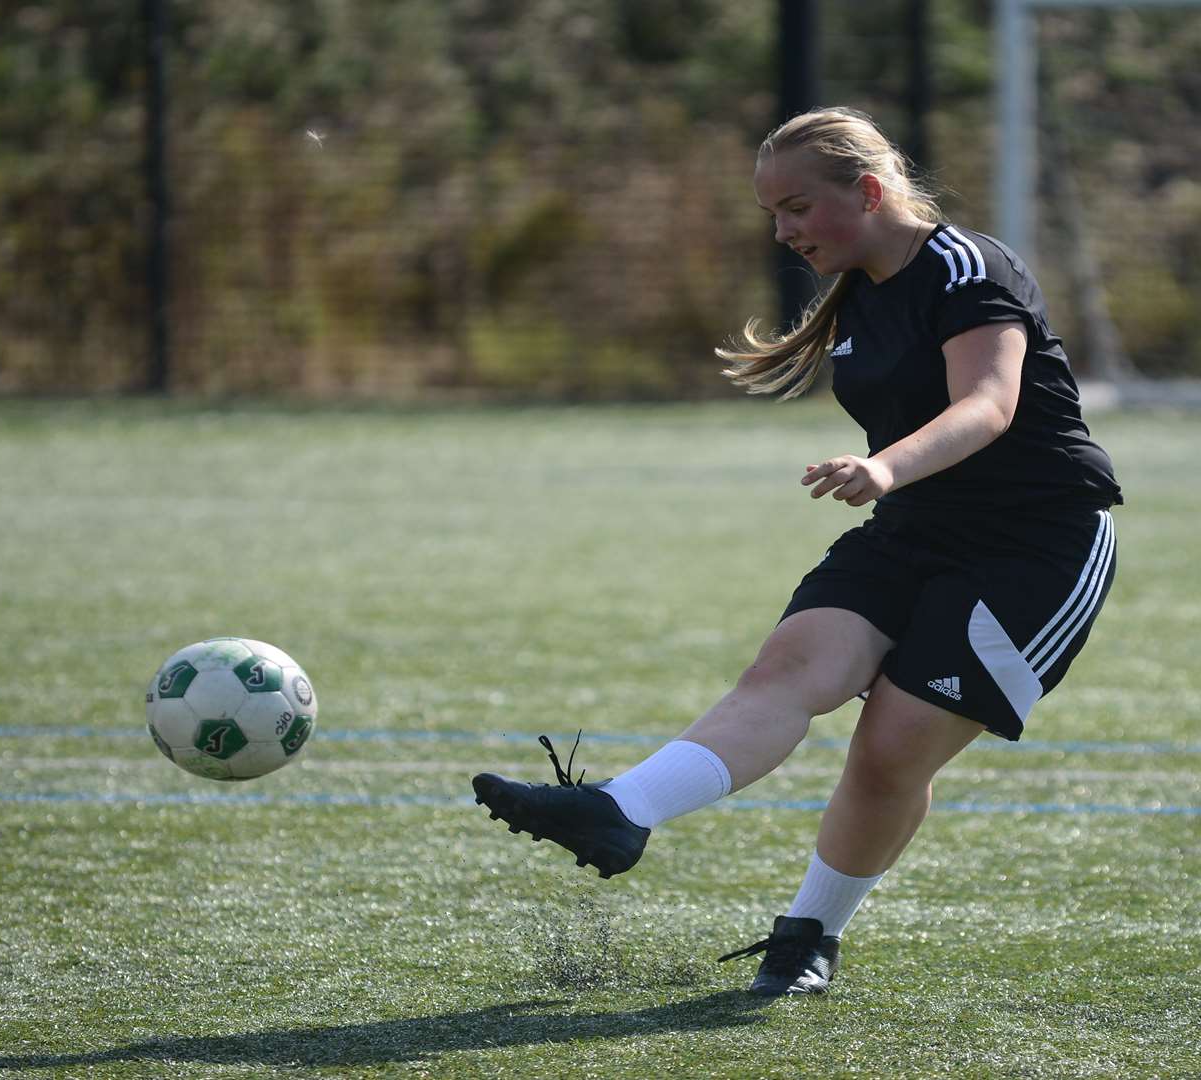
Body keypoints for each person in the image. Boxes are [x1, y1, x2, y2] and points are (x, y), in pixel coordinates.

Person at [472, 106, 1122, 996]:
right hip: (917, 528)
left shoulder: (971, 269)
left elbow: (990, 405)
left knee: (890, 749)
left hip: (1035, 547)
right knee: (788, 667)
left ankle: (810, 935)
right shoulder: (858, 287)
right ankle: (618, 810)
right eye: (771, 215)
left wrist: (884, 468)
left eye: (797, 208)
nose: (783, 232)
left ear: (867, 189)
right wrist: (894, 485)